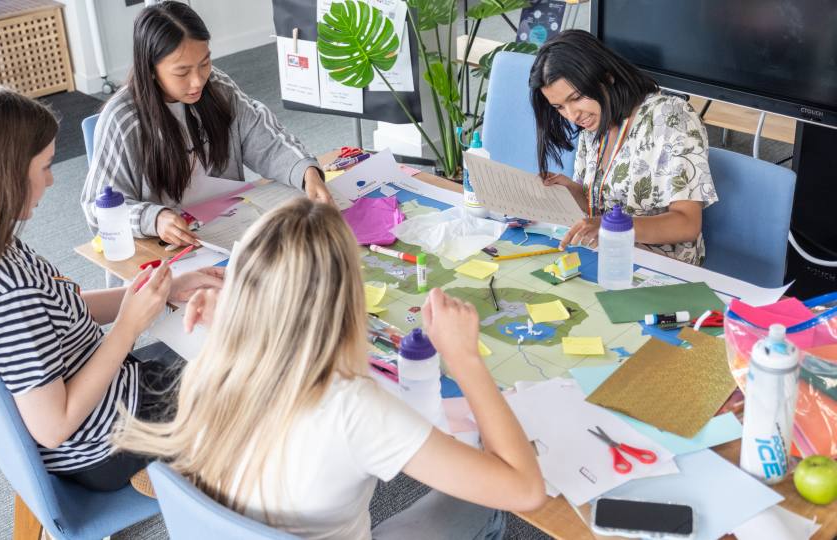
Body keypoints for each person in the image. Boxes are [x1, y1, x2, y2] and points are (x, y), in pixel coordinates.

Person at [113, 198, 546, 539]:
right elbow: (525, 490)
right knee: (482, 500)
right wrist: (464, 358)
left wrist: (231, 317)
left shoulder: (214, 362)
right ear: (346, 297)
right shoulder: (354, 407)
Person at [0, 85, 224, 491]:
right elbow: (53, 427)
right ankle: (190, 476)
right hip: (106, 441)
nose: (52, 181)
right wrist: (128, 326)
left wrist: (166, 290)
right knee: (257, 376)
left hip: (109, 398)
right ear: (7, 173)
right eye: (45, 167)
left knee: (211, 353)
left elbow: (59, 309)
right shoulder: (5, 292)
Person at [81, 0, 333, 248]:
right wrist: (154, 219)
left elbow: (266, 140)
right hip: (165, 253)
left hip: (226, 231)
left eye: (204, 63)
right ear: (150, 70)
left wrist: (305, 172)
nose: (197, 81)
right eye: (182, 72)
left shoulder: (217, 87)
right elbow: (97, 207)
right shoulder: (122, 118)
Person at [530, 30, 718, 265]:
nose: (571, 115)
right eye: (559, 107)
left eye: (576, 97)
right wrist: (571, 191)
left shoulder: (671, 117)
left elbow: (687, 223)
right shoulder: (593, 121)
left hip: (659, 268)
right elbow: (600, 207)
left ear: (606, 77)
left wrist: (614, 228)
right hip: (603, 256)